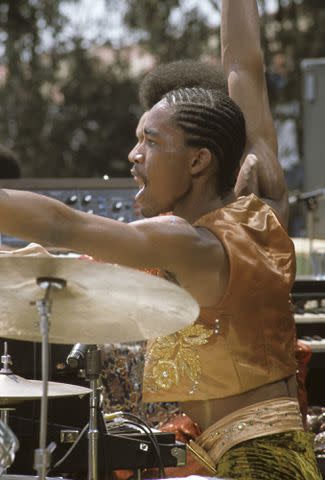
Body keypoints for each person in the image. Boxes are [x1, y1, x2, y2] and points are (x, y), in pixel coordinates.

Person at [0, 1, 322, 479]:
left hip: (252, 461)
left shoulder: (188, 242)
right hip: (239, 447)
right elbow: (241, 68)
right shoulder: (265, 204)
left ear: (198, 162)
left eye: (150, 141)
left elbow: (61, 225)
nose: (133, 155)